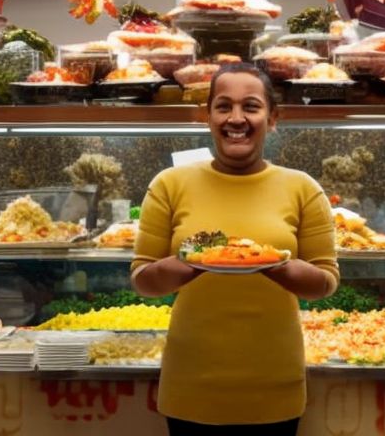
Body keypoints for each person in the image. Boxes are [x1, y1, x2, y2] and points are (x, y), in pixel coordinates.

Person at [131, 63, 339, 436]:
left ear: (272, 118)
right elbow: (143, 280)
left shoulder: (302, 188)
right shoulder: (169, 184)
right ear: (208, 115)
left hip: (276, 386)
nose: (236, 118)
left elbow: (325, 284)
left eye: (252, 106)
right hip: (190, 386)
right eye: (224, 106)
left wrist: (274, 262)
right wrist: (194, 260)